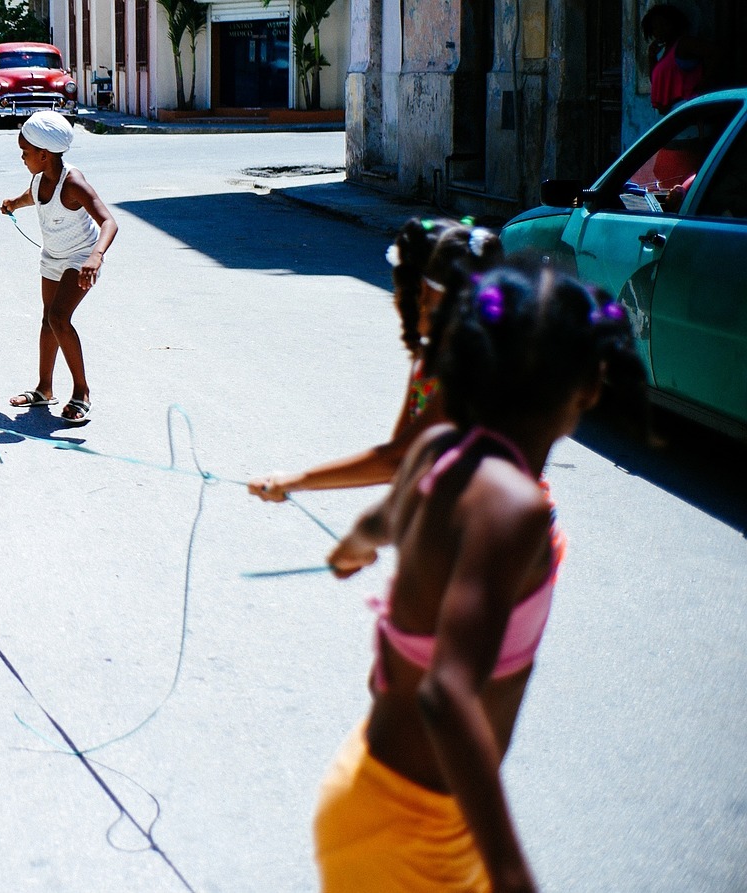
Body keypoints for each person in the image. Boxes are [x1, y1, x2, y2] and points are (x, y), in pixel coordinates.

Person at [313, 262, 646, 892]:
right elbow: (447, 694)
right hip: (413, 838)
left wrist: (348, 552)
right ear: (590, 385)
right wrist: (513, 877)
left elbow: (378, 523)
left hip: (376, 793)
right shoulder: (514, 506)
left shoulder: (439, 454)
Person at [249, 220, 502, 499]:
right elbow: (403, 461)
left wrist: (292, 481)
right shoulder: (428, 361)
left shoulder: (469, 370)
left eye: (400, 288)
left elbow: (396, 459)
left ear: (424, 293)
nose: (396, 299)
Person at [0, 111, 117, 424]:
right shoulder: (40, 178)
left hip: (81, 258)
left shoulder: (73, 183)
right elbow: (33, 196)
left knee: (58, 317)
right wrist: (13, 203)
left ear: (43, 154)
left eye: (25, 153)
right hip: (53, 255)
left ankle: (82, 391)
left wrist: (97, 256)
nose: (23, 158)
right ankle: (44, 390)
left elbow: (108, 221)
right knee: (46, 320)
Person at [643, 3, 713, 115]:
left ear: (674, 24)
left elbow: (716, 54)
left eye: (664, 24)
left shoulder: (684, 44)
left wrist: (702, 85)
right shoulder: (663, 51)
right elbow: (658, 82)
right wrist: (652, 59)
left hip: (689, 111)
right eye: (655, 27)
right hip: (673, 116)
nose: (659, 30)